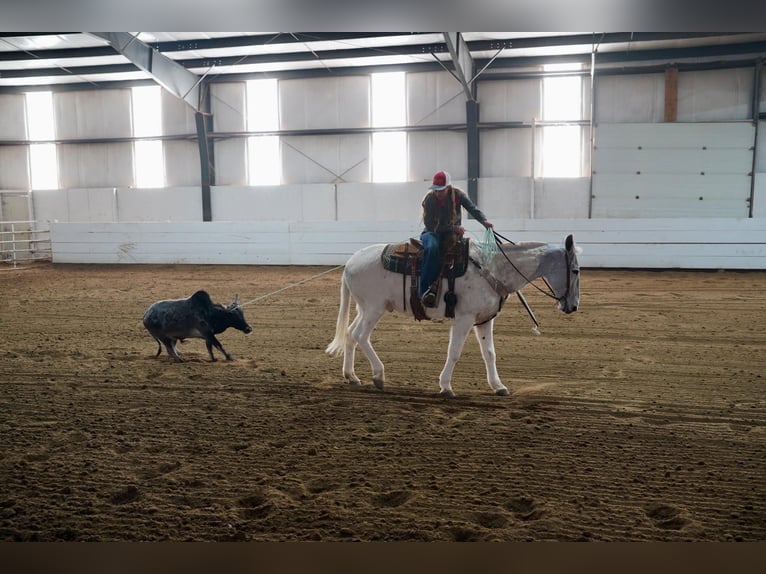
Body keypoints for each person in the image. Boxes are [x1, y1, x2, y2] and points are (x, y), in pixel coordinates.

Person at [419, 170, 494, 307]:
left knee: (466, 253)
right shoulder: (429, 200)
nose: (437, 193)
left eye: (440, 190)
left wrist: (484, 221)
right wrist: (452, 229)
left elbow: (472, 209)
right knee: (431, 248)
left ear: (448, 188)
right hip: (432, 232)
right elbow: (429, 225)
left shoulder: (458, 195)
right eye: (436, 190)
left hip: (451, 234)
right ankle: (423, 290)